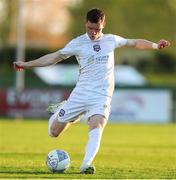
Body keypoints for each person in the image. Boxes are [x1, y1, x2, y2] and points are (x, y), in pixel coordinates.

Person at [13, 8, 170, 174]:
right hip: (80, 93)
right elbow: (53, 57)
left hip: (101, 96)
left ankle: (86, 164)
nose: (94, 33)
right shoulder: (77, 43)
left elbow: (134, 42)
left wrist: (155, 46)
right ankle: (64, 109)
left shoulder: (111, 40)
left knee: (98, 125)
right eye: (90, 28)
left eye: (98, 29)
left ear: (104, 24)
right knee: (53, 132)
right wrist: (27, 64)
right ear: (86, 24)